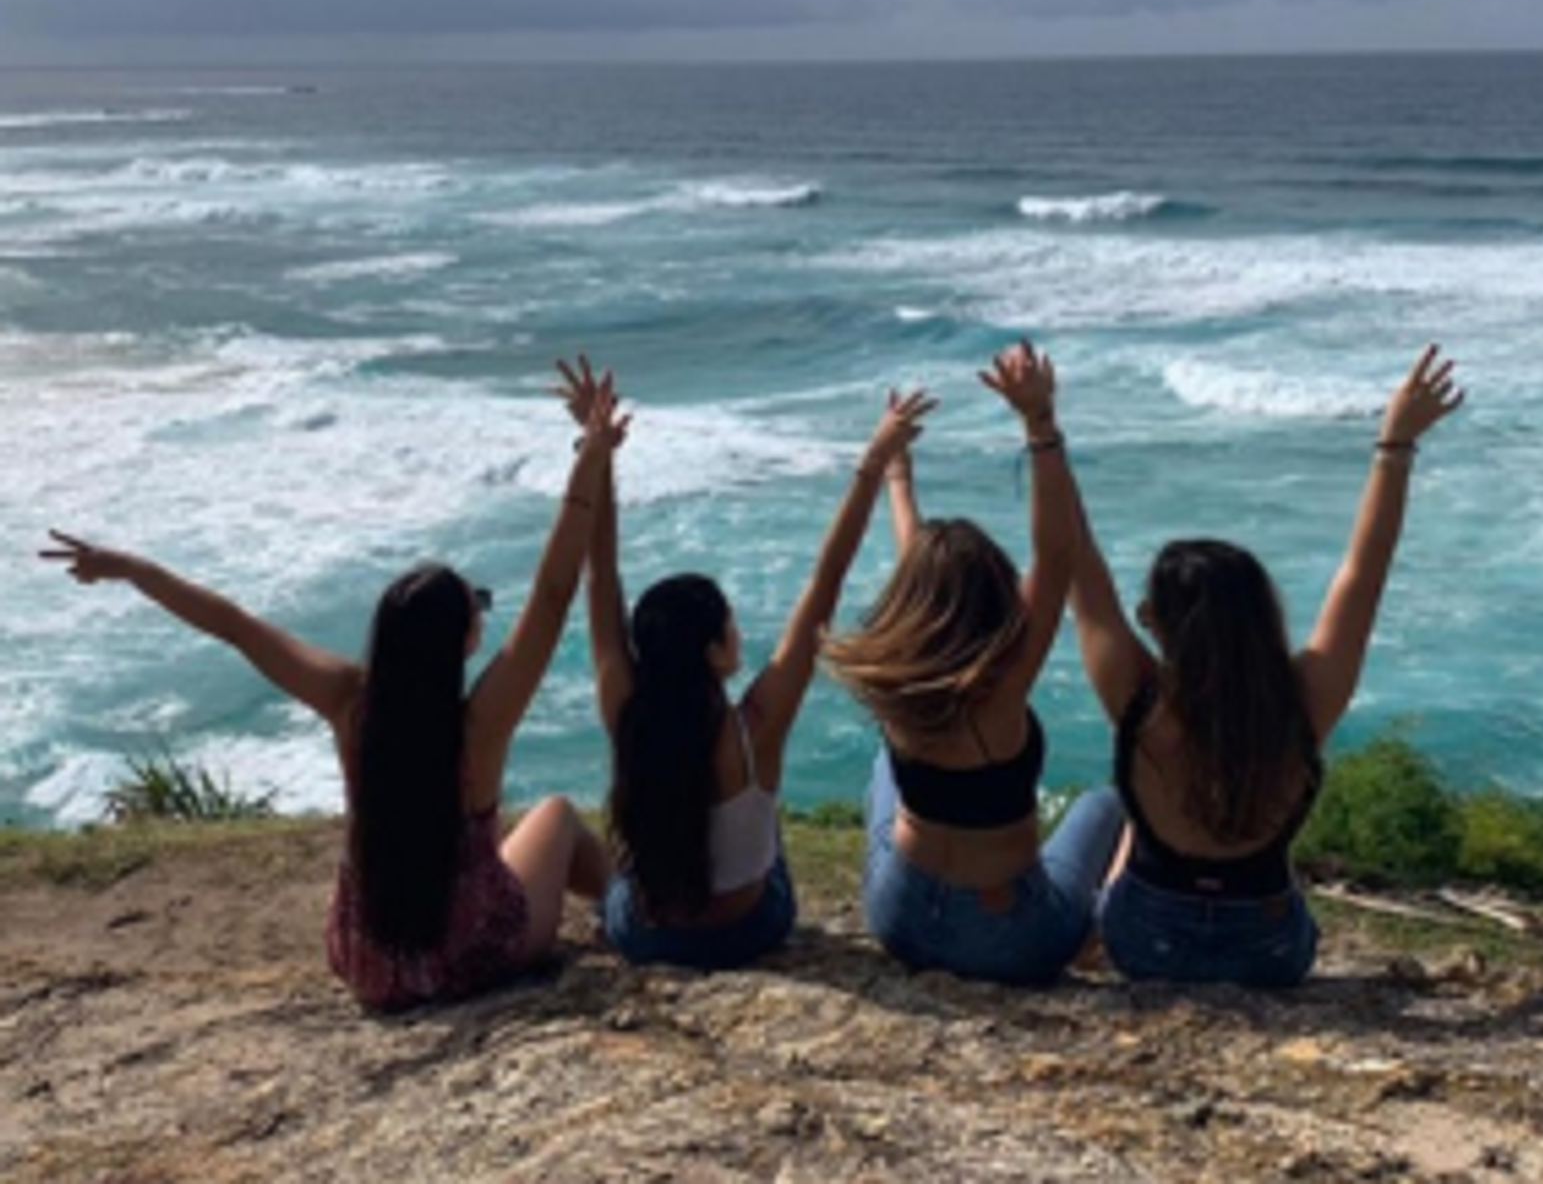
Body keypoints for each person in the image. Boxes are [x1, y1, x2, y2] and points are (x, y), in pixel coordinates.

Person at [39, 375, 629, 1013]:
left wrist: (132, 569)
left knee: (504, 850)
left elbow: (235, 626)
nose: (483, 616)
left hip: (372, 965)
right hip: (471, 957)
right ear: (461, 642)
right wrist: (592, 455)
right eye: (477, 607)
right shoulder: (480, 726)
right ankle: (632, 918)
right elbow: (552, 594)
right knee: (558, 818)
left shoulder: (349, 702)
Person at [1068, 345, 1465, 987]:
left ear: (1158, 622)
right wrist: (1394, 446)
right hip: (1268, 951)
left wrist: (1042, 432)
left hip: (1145, 943)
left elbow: (1077, 563)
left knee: (1107, 805)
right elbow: (1363, 574)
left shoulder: (1140, 701)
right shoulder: (1302, 700)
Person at [557, 355, 934, 969]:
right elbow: (826, 581)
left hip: (647, 934)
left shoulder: (625, 707)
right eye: (729, 624)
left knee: (632, 844)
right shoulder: (756, 726)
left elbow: (601, 577)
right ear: (713, 650)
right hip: (746, 931)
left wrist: (596, 456)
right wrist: (878, 462)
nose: (738, 631)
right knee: (762, 824)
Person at [826, 342, 1125, 986]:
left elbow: (920, 579)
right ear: (998, 598)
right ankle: (1108, 926)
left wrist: (896, 475)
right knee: (1106, 804)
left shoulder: (901, 682)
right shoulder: (1005, 687)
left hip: (901, 918)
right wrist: (1040, 426)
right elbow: (1058, 553)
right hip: (1011, 938)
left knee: (884, 769)